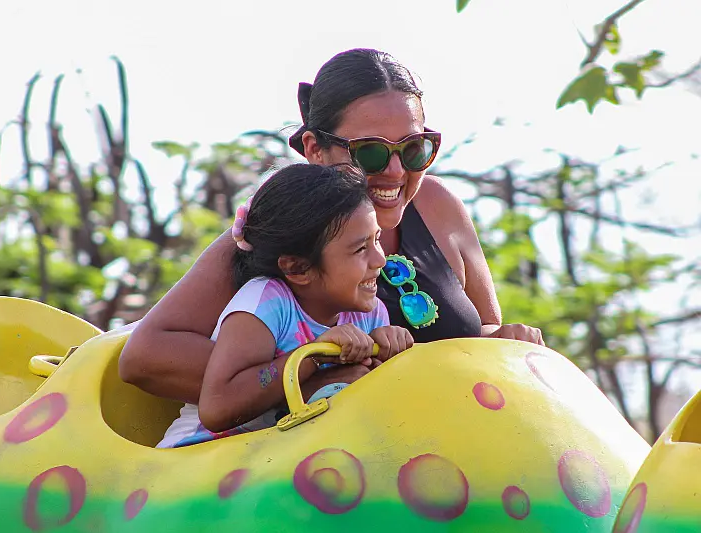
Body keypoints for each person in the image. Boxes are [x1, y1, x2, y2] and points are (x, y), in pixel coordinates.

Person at [119, 48, 544, 406]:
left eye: (414, 149)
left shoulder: (439, 207)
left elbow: (471, 335)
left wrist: (504, 339)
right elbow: (147, 357)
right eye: (371, 154)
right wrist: (314, 369)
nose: (396, 171)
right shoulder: (278, 231)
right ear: (314, 149)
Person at [156, 163, 412, 448]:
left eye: (377, 240)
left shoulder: (371, 311)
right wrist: (313, 358)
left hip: (286, 459)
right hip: (202, 458)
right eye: (360, 249)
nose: (380, 260)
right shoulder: (265, 303)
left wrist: (390, 351)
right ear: (298, 268)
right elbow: (218, 408)